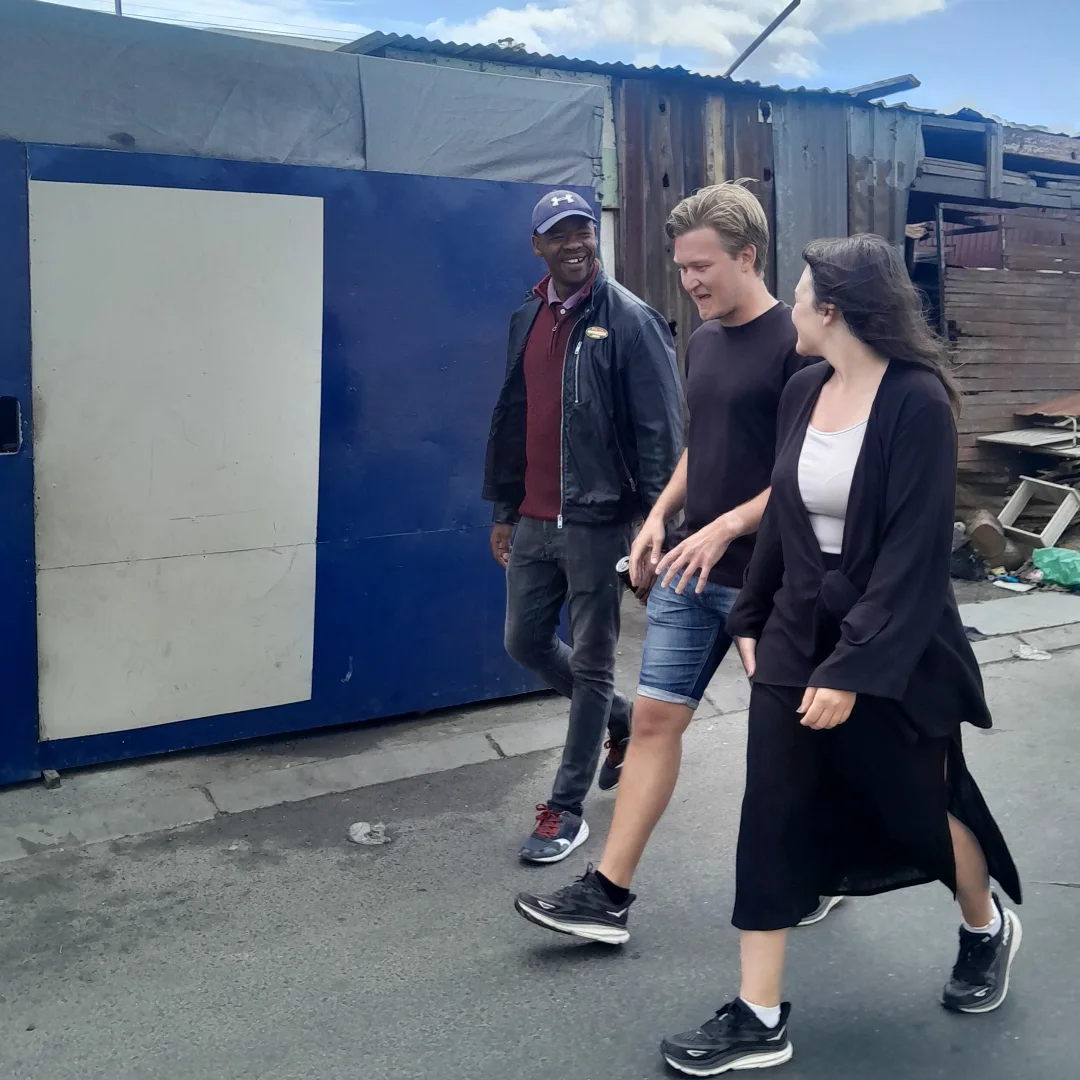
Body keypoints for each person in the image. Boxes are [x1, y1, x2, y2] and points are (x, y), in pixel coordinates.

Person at [659, 234, 1023, 1076]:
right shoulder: (804, 389)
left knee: (917, 806)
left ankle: (985, 926)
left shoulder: (918, 403)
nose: (788, 306)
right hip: (797, 629)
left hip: (893, 642)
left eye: (799, 294)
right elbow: (786, 519)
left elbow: (912, 556)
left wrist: (853, 668)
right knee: (771, 811)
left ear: (834, 310)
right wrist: (751, 619)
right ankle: (758, 1015)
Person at [515, 181, 836, 939]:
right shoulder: (703, 341)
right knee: (655, 722)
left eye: (702, 266)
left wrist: (728, 525)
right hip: (695, 571)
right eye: (682, 266)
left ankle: (823, 865)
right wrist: (660, 515)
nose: (688, 281)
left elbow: (808, 469)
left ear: (747, 256)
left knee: (795, 741)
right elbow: (704, 445)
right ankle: (607, 895)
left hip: (774, 581)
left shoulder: (799, 345)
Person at [483, 189, 684, 863]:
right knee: (524, 642)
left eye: (584, 230)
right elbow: (515, 418)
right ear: (537, 245)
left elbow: (662, 434)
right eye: (559, 233)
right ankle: (621, 720)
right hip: (535, 517)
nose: (575, 243)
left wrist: (658, 529)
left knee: (594, 662)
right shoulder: (529, 315)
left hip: (599, 521)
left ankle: (564, 810)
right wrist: (505, 509)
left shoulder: (629, 319)